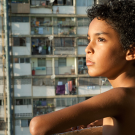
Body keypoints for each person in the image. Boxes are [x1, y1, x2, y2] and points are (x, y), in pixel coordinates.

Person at [29, 1, 135, 135]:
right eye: (89, 39)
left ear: (131, 52)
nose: (87, 49)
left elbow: (38, 126)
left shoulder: (119, 96)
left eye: (100, 39)